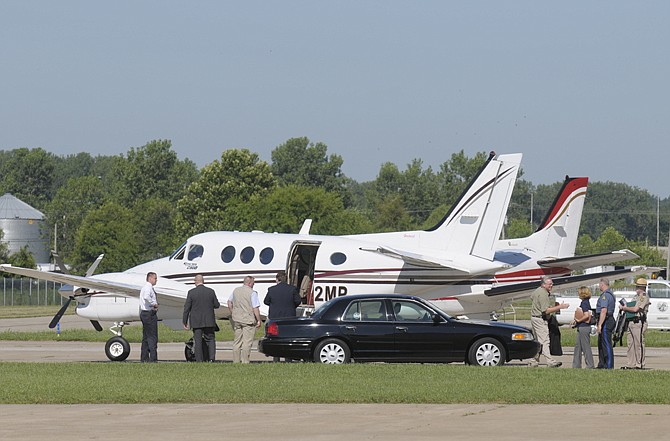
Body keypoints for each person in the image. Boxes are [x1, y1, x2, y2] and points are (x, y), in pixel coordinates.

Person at [528, 276, 568, 368]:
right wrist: (560, 307)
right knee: (545, 340)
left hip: (534, 318)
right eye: (550, 284)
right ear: (544, 284)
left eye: (552, 283)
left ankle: (533, 360)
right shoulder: (543, 294)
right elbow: (545, 311)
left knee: (538, 341)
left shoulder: (537, 291)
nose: (552, 285)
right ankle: (550, 361)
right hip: (540, 319)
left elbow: (532, 297)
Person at [264, 271, 301, 361]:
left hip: (275, 318)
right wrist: (291, 307)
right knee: (288, 338)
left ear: (277, 279)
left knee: (275, 339)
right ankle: (288, 358)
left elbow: (266, 301)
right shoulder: (292, 289)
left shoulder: (271, 289)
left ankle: (276, 358)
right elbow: (298, 301)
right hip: (289, 318)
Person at [182, 274, 220, 362]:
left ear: (195, 281)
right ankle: (211, 359)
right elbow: (216, 305)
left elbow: (187, 308)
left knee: (198, 340)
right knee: (210, 339)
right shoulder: (211, 291)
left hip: (196, 321)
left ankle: (199, 360)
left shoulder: (191, 292)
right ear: (203, 281)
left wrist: (185, 321)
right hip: (209, 320)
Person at [228, 276, 262, 363]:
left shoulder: (236, 290)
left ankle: (236, 361)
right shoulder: (252, 293)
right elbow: (255, 308)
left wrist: (233, 312)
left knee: (237, 341)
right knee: (247, 342)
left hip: (237, 319)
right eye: (253, 283)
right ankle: (245, 361)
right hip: (248, 320)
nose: (253, 285)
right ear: (250, 283)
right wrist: (258, 319)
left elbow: (229, 302)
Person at [620, 278, 650, 369]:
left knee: (638, 343)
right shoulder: (636, 297)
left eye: (637, 286)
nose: (636, 288)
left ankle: (639, 364)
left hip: (638, 321)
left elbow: (636, 309)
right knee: (630, 343)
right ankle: (630, 364)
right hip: (631, 321)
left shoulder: (643, 297)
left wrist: (625, 308)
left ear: (642, 287)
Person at [572, 286, 595, 369]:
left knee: (586, 347)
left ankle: (590, 365)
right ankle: (576, 365)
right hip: (581, 327)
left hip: (584, 327)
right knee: (578, 346)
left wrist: (578, 320)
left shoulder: (584, 303)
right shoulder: (585, 302)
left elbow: (586, 315)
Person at [596, 277, 616, 369]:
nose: (599, 286)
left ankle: (608, 365)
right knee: (602, 343)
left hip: (606, 321)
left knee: (606, 344)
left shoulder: (605, 295)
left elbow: (604, 310)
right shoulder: (610, 294)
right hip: (606, 320)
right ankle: (602, 363)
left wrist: (600, 324)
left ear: (602, 284)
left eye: (599, 284)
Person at [139, 271, 159, 362]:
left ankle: (144, 358)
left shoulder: (145, 287)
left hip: (144, 313)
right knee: (152, 336)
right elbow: (147, 297)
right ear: (150, 278)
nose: (156, 280)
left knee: (146, 337)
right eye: (155, 278)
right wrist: (153, 304)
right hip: (149, 313)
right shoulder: (148, 288)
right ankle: (153, 358)